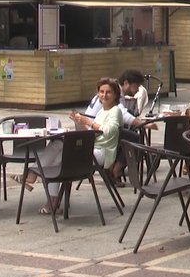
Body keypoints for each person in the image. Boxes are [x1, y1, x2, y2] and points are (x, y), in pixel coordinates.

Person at [15, 78, 122, 214]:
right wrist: (79, 122)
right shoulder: (102, 111)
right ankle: (52, 200)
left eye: (108, 92)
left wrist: (88, 122)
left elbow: (107, 131)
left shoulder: (115, 111)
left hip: (101, 153)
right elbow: (90, 134)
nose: (104, 95)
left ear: (115, 95)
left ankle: (34, 178)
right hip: (91, 149)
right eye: (101, 92)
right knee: (57, 146)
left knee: (59, 149)